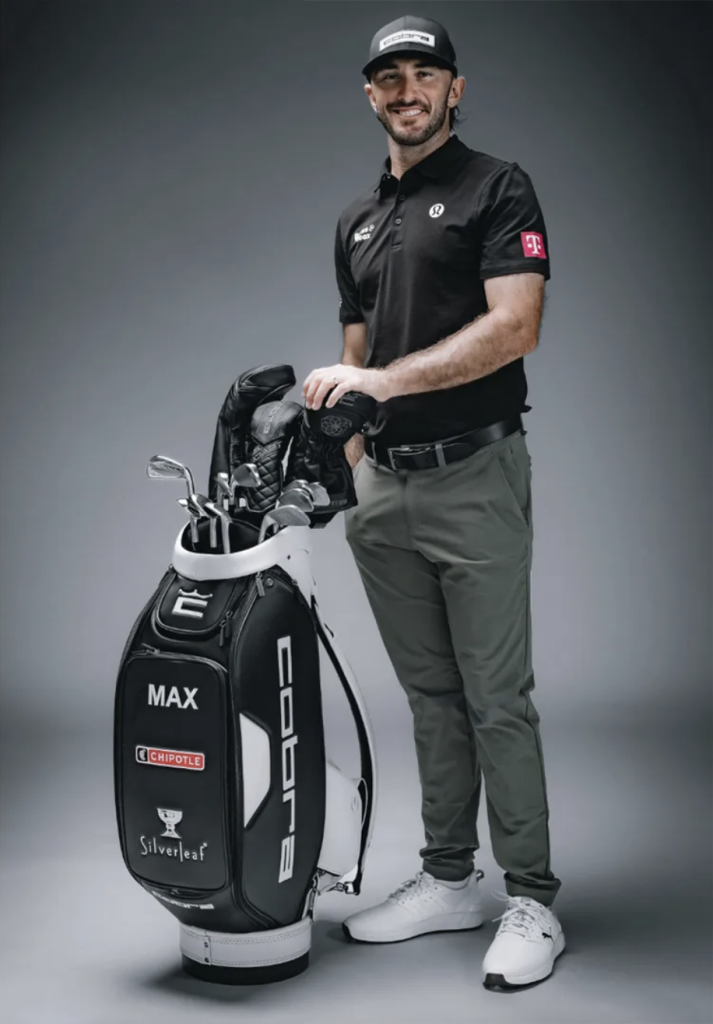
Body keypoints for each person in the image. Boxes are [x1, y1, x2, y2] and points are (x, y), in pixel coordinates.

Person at [302, 14, 565, 990]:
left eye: (424, 72)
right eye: (388, 76)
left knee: (497, 700)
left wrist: (381, 385)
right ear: (369, 94)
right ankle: (449, 878)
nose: (405, 89)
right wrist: (341, 468)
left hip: (473, 478)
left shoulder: (498, 188)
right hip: (384, 492)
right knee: (430, 699)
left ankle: (531, 898)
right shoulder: (354, 220)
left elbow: (515, 327)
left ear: (454, 88)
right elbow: (355, 356)